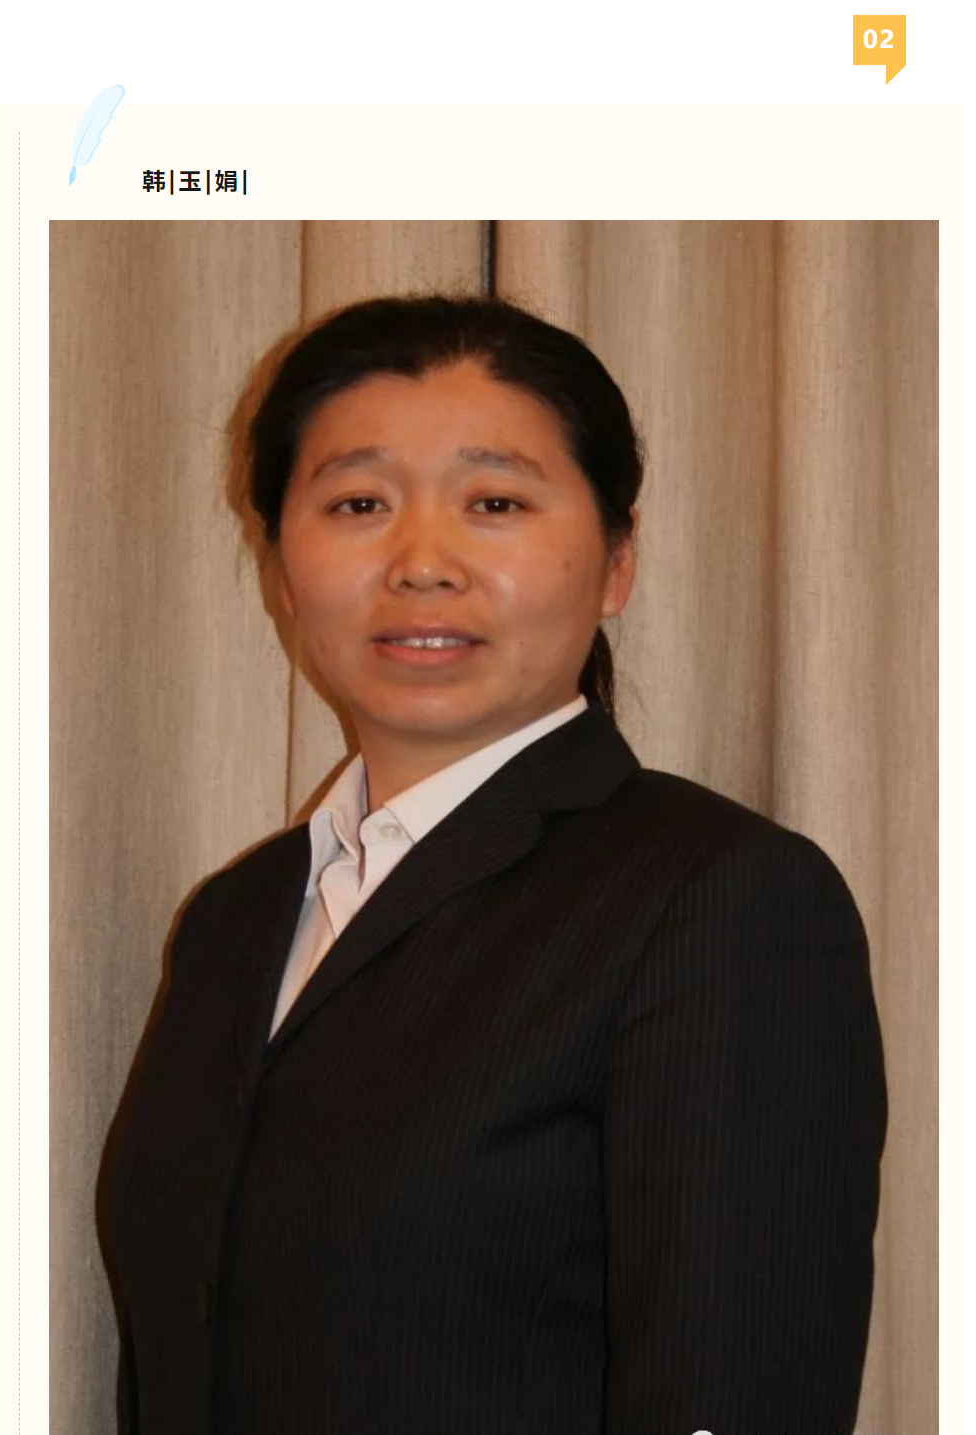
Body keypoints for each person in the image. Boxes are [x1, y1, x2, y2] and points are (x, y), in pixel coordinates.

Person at [97, 294, 887, 1435]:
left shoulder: (718, 897)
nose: (422, 562)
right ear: (282, 565)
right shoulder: (236, 916)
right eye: (358, 503)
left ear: (615, 562)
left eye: (495, 503)